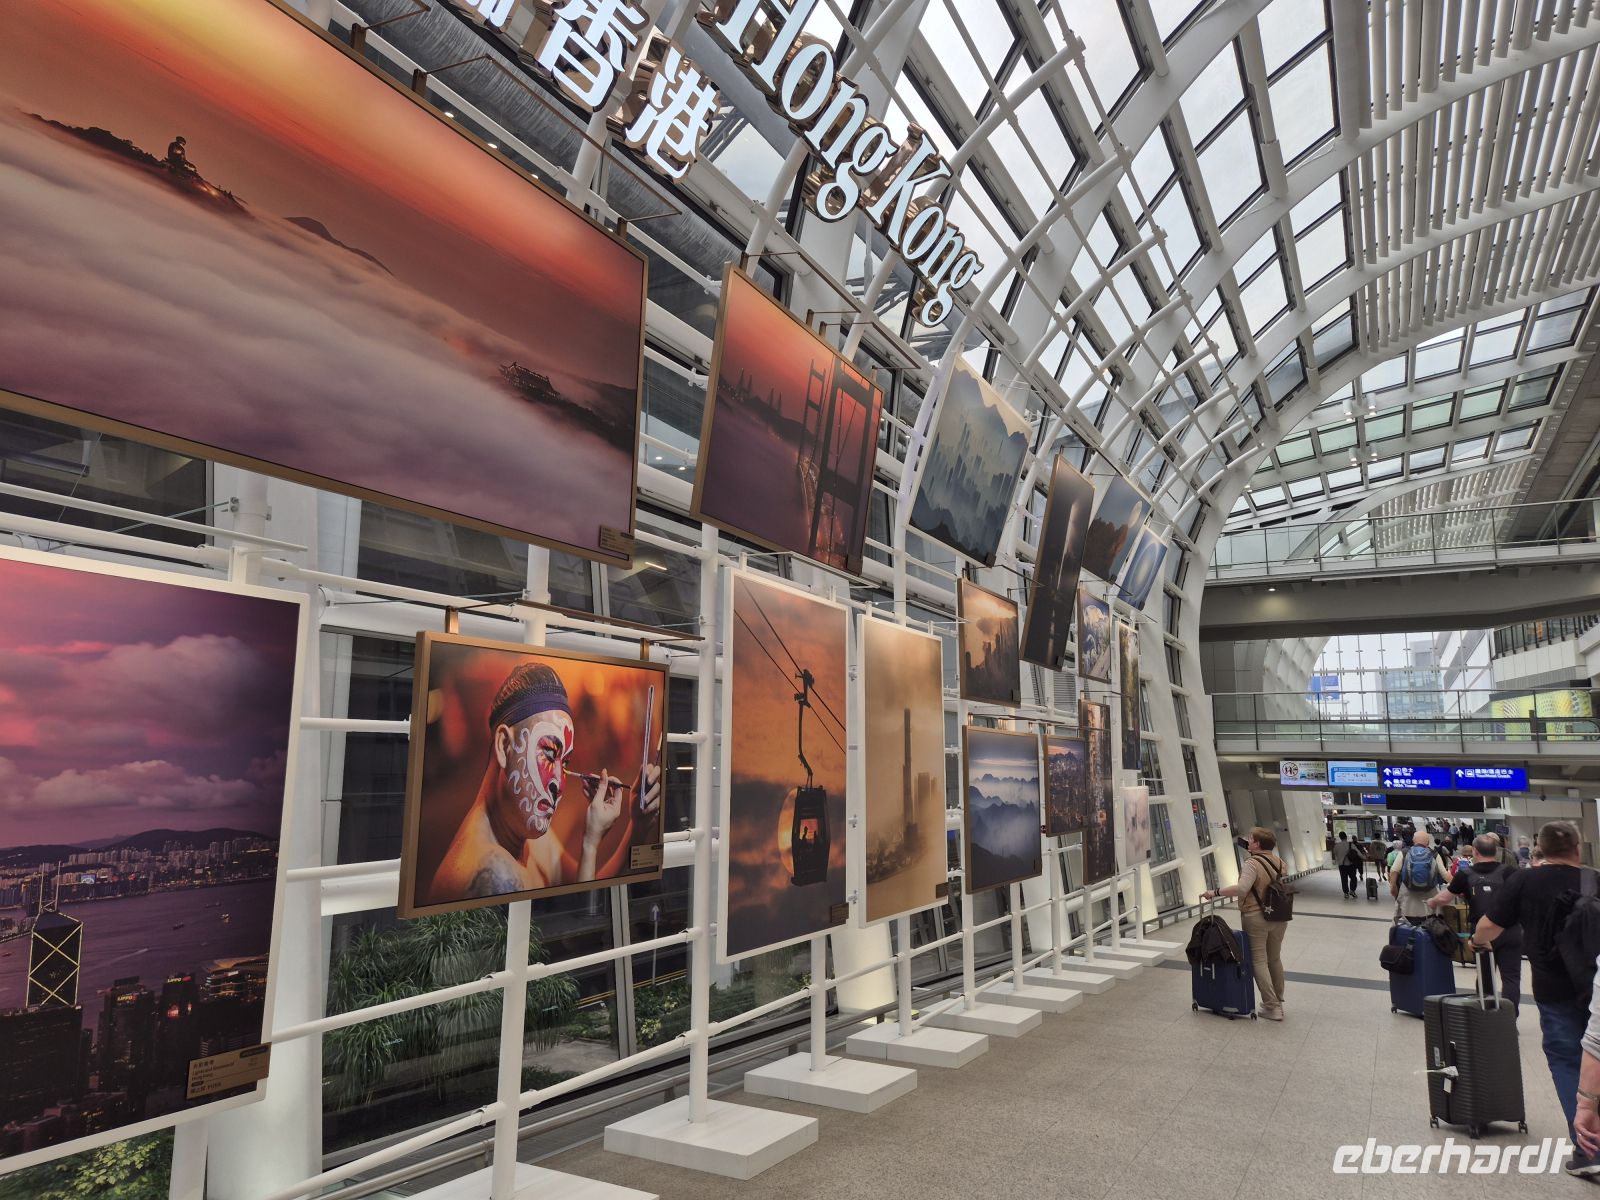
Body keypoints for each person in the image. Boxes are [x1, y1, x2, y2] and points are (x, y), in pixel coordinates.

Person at [428, 662, 661, 903]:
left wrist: (638, 827)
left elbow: (585, 887)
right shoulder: (491, 875)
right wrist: (590, 844)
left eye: (565, 762)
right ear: (504, 745)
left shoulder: (528, 837)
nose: (559, 784)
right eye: (549, 753)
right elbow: (579, 921)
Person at [1472, 820, 1594, 1176]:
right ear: (1577, 849)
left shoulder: (1525, 880)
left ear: (1541, 849)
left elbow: (1488, 926)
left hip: (1555, 991)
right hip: (1597, 987)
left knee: (1568, 1062)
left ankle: (1589, 1151)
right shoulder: (1595, 880)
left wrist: (1477, 943)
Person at [1201, 827, 1288, 1021]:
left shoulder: (1252, 863)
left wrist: (1215, 892)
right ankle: (1278, 1001)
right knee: (1274, 959)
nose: (1248, 841)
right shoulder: (1280, 862)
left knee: (1259, 960)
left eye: (1251, 839)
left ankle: (1272, 1006)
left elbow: (1242, 889)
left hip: (1256, 916)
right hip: (1278, 915)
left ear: (1257, 844)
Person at [1428, 834, 1522, 1011]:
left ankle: (1487, 1013)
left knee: (1485, 975)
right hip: (1509, 930)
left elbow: (1445, 898)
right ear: (1495, 851)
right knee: (1511, 977)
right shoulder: (1509, 872)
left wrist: (1432, 902)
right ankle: (1510, 1018)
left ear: (1475, 852)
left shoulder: (1465, 874)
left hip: (1481, 932)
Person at [1390, 830, 1449, 923]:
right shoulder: (1434, 854)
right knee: (1429, 927)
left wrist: (1393, 887)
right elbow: (1445, 875)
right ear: (1428, 843)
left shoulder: (1405, 852)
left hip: (1408, 903)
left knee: (1410, 928)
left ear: (1413, 841)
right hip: (1429, 903)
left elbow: (1394, 870)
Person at [1335, 832, 1364, 899]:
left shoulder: (1336, 846)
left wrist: (1338, 861)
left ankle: (1346, 893)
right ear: (1346, 837)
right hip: (1351, 864)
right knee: (1353, 878)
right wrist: (1364, 857)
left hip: (1341, 865)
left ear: (1340, 837)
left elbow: (1336, 855)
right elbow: (1358, 853)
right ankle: (1352, 891)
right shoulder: (1351, 845)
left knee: (1344, 879)